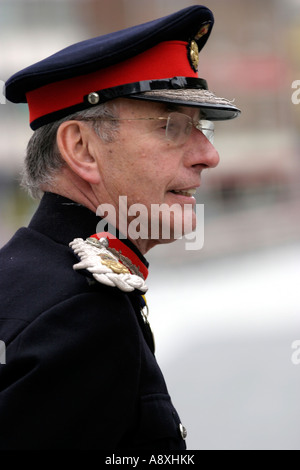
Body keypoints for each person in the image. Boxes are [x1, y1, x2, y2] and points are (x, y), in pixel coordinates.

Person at [0, 5, 240, 450]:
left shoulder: (30, 283)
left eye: (201, 128)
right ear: (82, 149)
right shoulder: (79, 317)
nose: (209, 155)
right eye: (172, 126)